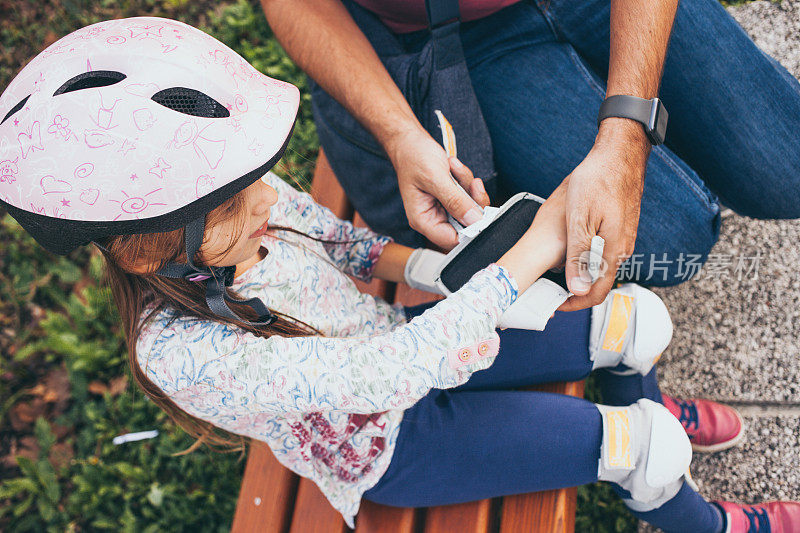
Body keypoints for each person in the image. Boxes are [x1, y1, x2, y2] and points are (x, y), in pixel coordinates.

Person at [1, 17, 797, 533]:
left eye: (250, 177)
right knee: (645, 445)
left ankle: (643, 403)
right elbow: (388, 374)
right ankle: (713, 521)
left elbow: (348, 249)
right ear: (143, 250)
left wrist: (438, 265)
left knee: (636, 321)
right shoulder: (184, 354)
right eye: (229, 198)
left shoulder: (241, 204)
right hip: (397, 437)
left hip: (412, 339)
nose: (261, 196)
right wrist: (523, 258)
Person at [259, 0, 800, 313]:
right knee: (675, 241)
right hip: (454, 42)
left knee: (785, 172)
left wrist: (626, 139)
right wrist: (400, 133)